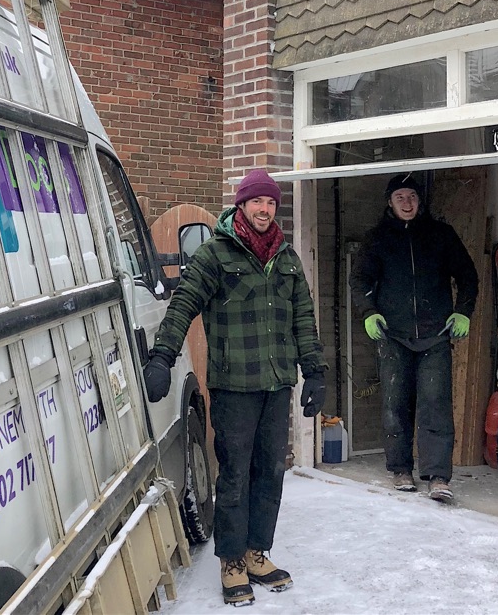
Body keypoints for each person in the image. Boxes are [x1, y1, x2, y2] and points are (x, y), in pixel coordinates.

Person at [141, 169, 327, 606]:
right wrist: (162, 357)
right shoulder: (214, 255)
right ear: (241, 204)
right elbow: (183, 304)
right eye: (257, 202)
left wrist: (314, 372)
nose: (264, 210)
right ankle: (231, 561)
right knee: (236, 475)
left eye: (271, 203)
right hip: (234, 388)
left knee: (271, 472)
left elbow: (303, 317)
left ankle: (257, 552)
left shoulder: (286, 258)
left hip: (276, 384)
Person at [349, 173, 478, 501]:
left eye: (411, 197)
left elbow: (467, 275)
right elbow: (360, 278)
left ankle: (438, 476)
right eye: (400, 197)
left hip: (435, 334)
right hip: (393, 335)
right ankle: (401, 468)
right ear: (390, 203)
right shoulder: (377, 239)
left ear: (420, 202)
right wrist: (368, 311)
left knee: (435, 403)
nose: (407, 203)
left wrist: (463, 310)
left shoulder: (441, 235)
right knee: (395, 403)